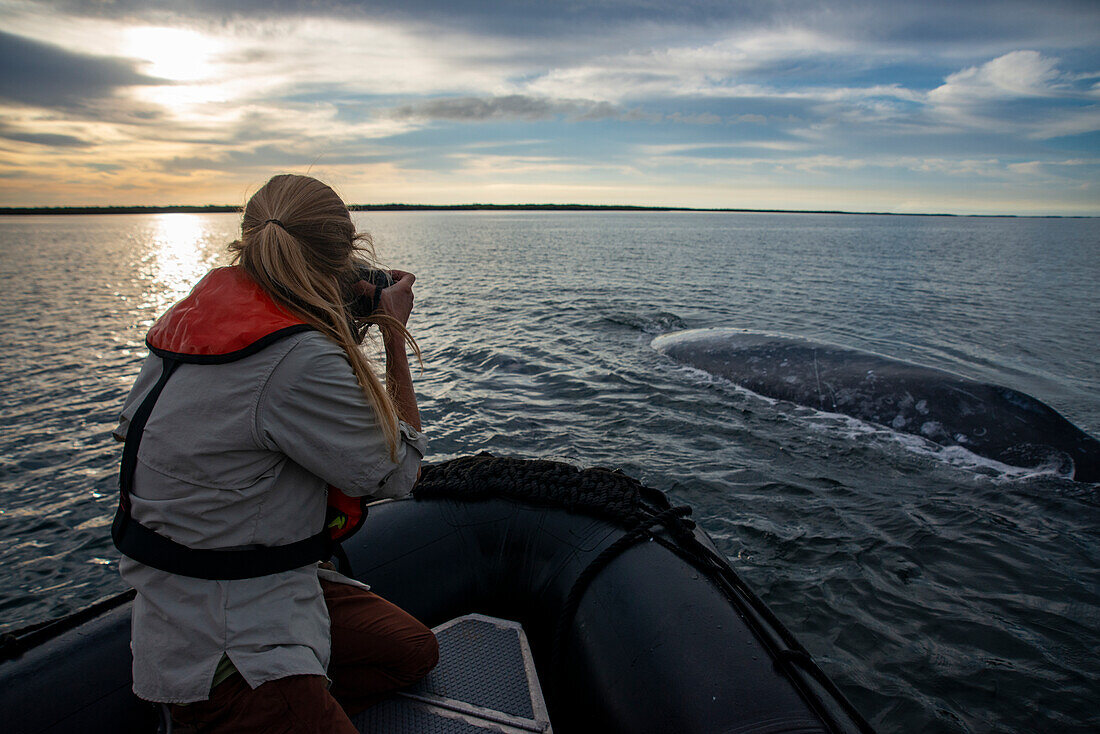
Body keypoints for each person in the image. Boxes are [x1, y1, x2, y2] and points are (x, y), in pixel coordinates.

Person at [112, 174, 438, 732]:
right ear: (346, 256)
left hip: (225, 588)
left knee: (409, 651)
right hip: (229, 641)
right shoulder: (297, 358)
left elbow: (277, 391)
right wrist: (390, 332)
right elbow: (399, 473)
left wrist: (339, 313)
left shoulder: (196, 320)